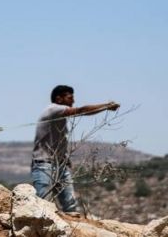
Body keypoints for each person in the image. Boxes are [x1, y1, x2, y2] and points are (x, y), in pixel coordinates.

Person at [31, 85, 120, 215]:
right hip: (44, 164)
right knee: (43, 205)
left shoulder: (59, 115)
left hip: (60, 164)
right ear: (59, 99)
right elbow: (81, 110)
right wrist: (106, 106)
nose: (73, 101)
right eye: (70, 98)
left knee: (70, 205)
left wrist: (65, 158)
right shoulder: (53, 109)